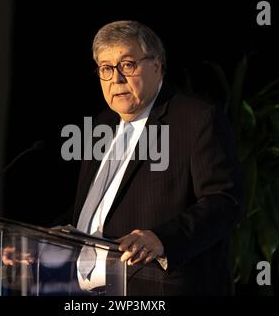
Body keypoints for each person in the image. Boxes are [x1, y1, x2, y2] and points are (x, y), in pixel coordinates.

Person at [71, 20, 244, 296]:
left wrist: (163, 238)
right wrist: (46, 243)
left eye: (127, 65)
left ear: (157, 65)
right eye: (106, 68)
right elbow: (97, 215)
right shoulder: (99, 127)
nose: (116, 79)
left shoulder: (196, 120)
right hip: (89, 293)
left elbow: (224, 201)